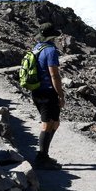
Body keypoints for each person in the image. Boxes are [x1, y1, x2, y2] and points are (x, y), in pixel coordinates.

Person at [30, 22, 65, 169]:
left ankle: (44, 155)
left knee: (54, 123)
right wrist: (61, 95)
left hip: (37, 90)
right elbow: (54, 75)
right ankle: (42, 158)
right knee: (47, 124)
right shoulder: (50, 51)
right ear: (52, 37)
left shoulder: (37, 48)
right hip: (47, 92)